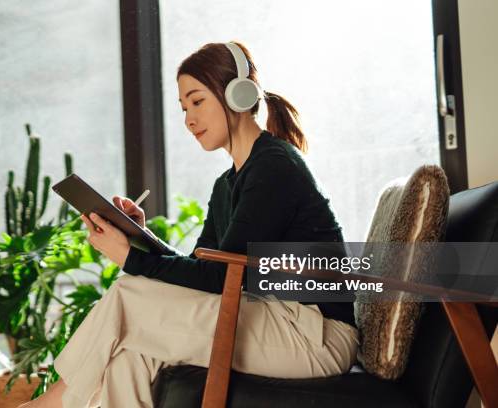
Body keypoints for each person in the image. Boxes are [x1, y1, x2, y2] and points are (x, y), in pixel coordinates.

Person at [19, 41, 358, 408]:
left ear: (237, 94)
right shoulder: (227, 184)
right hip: (275, 320)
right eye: (184, 108)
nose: (189, 119)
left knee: (128, 292)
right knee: (131, 357)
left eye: (197, 101)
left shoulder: (274, 167)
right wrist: (140, 239)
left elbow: (218, 278)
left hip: (316, 336)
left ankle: (43, 405)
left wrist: (130, 260)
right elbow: (208, 269)